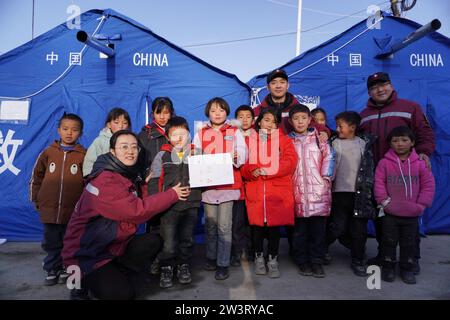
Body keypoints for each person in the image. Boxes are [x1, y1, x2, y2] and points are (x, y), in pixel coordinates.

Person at [62, 130, 190, 300]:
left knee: (153, 241)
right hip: (87, 255)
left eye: (134, 147)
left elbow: (137, 198)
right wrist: (172, 194)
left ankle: (116, 271)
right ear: (112, 152)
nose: (130, 151)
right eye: (124, 147)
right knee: (125, 296)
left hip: (110, 246)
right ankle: (81, 284)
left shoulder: (125, 174)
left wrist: (146, 184)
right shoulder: (106, 180)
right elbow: (137, 211)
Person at [360, 71, 435, 270]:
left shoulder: (410, 108)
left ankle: (412, 259)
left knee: (409, 220)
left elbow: (425, 132)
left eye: (383, 85)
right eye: (375, 87)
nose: (380, 89)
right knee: (383, 218)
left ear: (391, 86)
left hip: (407, 175)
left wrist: (425, 153)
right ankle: (385, 255)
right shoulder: (364, 116)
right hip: (378, 175)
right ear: (369, 92)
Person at [253, 69, 331, 254]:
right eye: (274, 82)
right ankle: (263, 252)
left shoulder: (298, 109)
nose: (278, 85)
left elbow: (313, 124)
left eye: (282, 82)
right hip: (266, 168)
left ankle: (299, 254)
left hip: (292, 167)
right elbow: (245, 126)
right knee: (265, 213)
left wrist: (324, 130)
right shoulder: (258, 111)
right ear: (267, 87)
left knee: (293, 212)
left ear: (288, 85)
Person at [193, 97, 247, 281]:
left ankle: (223, 264)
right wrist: (199, 156)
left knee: (224, 226)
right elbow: (196, 153)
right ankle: (211, 257)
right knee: (210, 226)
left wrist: (236, 155)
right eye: (214, 110)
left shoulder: (234, 131)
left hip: (228, 186)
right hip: (208, 187)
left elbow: (242, 154)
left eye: (222, 110)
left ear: (227, 112)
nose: (217, 113)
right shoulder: (201, 133)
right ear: (208, 112)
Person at [29, 113, 86, 286]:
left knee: (70, 240)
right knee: (51, 241)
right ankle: (52, 268)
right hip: (50, 209)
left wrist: (83, 207)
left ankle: (66, 268)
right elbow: (36, 177)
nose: (69, 133)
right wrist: (36, 198)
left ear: (81, 133)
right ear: (58, 130)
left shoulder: (83, 154)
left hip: (72, 211)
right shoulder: (48, 152)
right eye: (65, 129)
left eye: (74, 130)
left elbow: (87, 182)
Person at [241, 108, 298, 278]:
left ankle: (273, 259)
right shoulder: (250, 141)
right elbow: (243, 166)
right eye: (266, 120)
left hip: (277, 192)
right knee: (256, 229)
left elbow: (290, 162)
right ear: (259, 122)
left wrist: (268, 170)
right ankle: (259, 257)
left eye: (274, 121)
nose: (270, 124)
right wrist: (252, 171)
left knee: (274, 230)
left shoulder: (285, 140)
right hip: (256, 191)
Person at [374, 126, 435, 284]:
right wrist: (385, 203)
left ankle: (407, 268)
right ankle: (388, 267)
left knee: (409, 243)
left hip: (412, 214)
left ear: (412, 142)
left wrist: (421, 205)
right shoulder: (384, 163)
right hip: (390, 213)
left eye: (404, 140)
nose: (399, 144)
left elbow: (428, 185)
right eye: (395, 141)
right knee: (388, 241)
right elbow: (379, 184)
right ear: (390, 144)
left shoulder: (421, 163)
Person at [148, 117, 202, 288]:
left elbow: (209, 173)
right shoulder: (161, 155)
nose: (179, 138)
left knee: (187, 239)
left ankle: (183, 266)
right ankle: (166, 267)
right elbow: (154, 181)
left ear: (189, 135)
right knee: (169, 242)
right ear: (168, 137)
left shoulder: (197, 153)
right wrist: (156, 204)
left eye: (183, 134)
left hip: (191, 206)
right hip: (169, 208)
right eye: (174, 134)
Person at [326, 111, 377, 277]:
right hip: (339, 194)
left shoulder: (364, 144)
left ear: (353, 127)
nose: (337, 129)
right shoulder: (332, 143)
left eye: (341, 126)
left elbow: (370, 168)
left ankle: (358, 259)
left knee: (359, 230)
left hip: (360, 195)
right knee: (336, 227)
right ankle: (322, 249)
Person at [288, 105, 334, 278]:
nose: (300, 121)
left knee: (318, 232)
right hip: (296, 192)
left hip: (318, 193)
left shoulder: (318, 138)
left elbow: (329, 156)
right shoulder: (288, 141)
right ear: (291, 122)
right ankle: (302, 262)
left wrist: (325, 179)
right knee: (299, 232)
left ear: (309, 120)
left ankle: (317, 261)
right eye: (296, 118)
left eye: (303, 118)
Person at [138, 97, 174, 273]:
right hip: (153, 185)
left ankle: (168, 262)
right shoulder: (145, 134)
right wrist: (145, 176)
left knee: (171, 223)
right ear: (153, 114)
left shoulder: (177, 131)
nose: (162, 116)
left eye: (166, 112)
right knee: (154, 224)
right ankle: (152, 260)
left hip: (172, 183)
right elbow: (137, 159)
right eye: (159, 112)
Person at [230, 105, 255, 266]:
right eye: (241, 116)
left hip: (254, 185)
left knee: (252, 221)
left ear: (253, 120)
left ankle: (252, 250)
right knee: (237, 221)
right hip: (237, 185)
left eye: (248, 116)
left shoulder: (260, 136)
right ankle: (236, 252)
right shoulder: (230, 135)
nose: (244, 119)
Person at [82, 107, 131, 176]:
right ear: (109, 125)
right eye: (116, 122)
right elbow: (90, 161)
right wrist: (89, 177)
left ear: (128, 126)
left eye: (125, 123)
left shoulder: (132, 142)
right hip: (103, 179)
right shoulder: (100, 141)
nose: (120, 126)